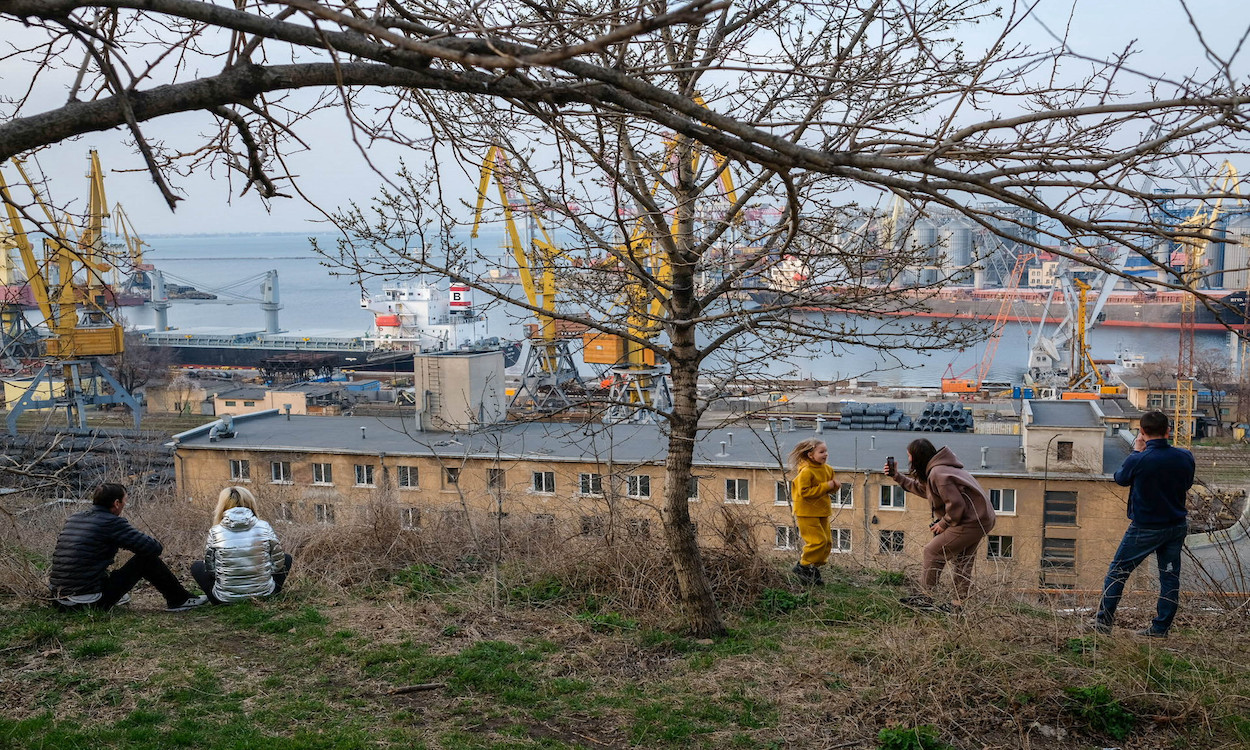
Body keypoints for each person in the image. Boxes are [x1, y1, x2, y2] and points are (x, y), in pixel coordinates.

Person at [1093, 411, 1194, 638]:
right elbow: (1187, 484)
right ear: (1168, 431)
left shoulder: (1139, 459)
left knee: (1118, 572)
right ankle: (1160, 628)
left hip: (1145, 528)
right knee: (1169, 578)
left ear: (1142, 432)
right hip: (1176, 526)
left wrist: (1137, 450)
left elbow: (1120, 478)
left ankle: (1103, 624)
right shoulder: (1185, 456)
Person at [48, 483, 208, 612]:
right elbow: (153, 548)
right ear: (116, 503)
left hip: (58, 599)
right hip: (87, 603)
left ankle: (107, 594)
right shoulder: (112, 523)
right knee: (146, 560)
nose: (125, 504)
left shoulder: (74, 519)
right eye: (125, 500)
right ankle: (180, 600)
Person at [884, 438, 996, 610]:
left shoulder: (938, 473)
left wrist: (944, 523)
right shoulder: (940, 469)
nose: (909, 461)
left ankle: (925, 598)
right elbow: (925, 490)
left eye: (910, 457)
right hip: (980, 518)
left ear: (918, 457)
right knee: (962, 560)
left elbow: (956, 504)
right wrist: (897, 477)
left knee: (933, 551)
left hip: (970, 520)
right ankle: (958, 605)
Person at [190, 486, 291, 604]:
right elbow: (278, 561)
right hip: (265, 593)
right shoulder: (264, 527)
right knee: (287, 558)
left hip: (224, 599)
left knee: (197, 567)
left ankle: (223, 597)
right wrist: (266, 570)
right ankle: (267, 593)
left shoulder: (216, 531)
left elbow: (210, 567)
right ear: (251, 503)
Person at [789, 438, 840, 586]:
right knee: (817, 541)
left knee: (827, 543)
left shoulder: (827, 469)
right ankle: (803, 566)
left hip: (822, 510)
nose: (826, 454)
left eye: (826, 451)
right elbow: (804, 492)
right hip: (806, 512)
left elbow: (828, 489)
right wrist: (827, 485)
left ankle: (812, 568)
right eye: (822, 452)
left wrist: (835, 486)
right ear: (811, 455)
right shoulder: (806, 471)